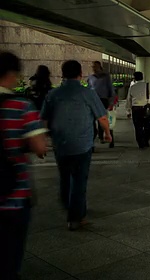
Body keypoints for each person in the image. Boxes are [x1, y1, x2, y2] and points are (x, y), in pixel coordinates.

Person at [41, 60, 111, 230]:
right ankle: (75, 218)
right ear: (80, 74)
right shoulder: (87, 93)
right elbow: (101, 117)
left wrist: (42, 139)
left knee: (64, 177)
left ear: (63, 74)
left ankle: (69, 206)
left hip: (60, 144)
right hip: (82, 144)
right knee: (79, 180)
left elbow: (43, 119)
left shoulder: (53, 94)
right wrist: (107, 133)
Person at [0, 52, 48, 280]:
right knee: (11, 247)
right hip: (13, 193)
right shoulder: (21, 105)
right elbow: (40, 147)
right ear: (11, 75)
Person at [87, 61, 115, 148]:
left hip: (103, 100)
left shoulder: (106, 77)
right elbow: (88, 89)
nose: (94, 69)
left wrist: (111, 102)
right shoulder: (90, 78)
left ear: (100, 67)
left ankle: (108, 138)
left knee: (103, 120)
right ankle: (93, 140)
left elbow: (110, 89)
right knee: (92, 121)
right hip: (92, 101)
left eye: (95, 67)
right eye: (93, 67)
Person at [126, 72, 150, 149]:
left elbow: (129, 100)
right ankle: (146, 140)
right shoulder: (148, 86)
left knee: (138, 127)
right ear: (142, 77)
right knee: (148, 126)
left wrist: (128, 111)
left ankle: (141, 143)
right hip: (146, 108)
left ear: (134, 78)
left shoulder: (132, 87)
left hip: (136, 109)